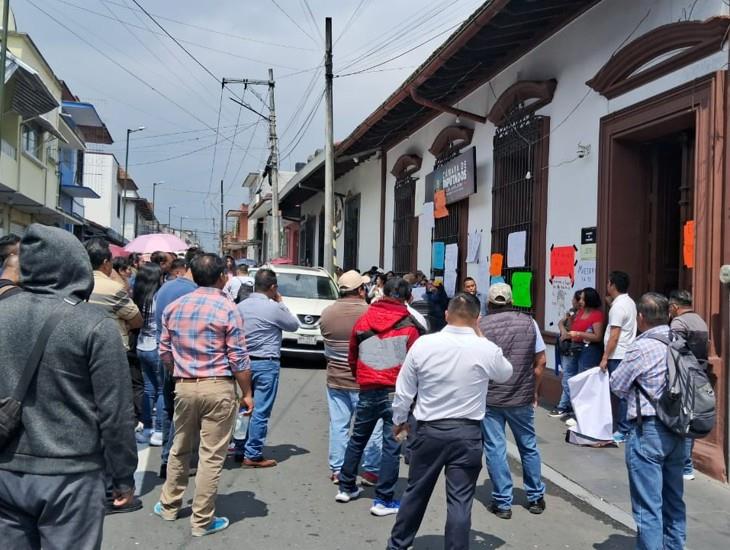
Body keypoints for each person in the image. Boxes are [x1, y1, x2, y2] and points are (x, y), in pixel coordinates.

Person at [0, 225, 137, 549]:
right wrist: (122, 476)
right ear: (76, 265)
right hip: (71, 475)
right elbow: (115, 411)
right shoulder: (93, 324)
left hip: (6, 468)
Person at [387, 293, 513, 550]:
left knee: (416, 492)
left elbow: (404, 390)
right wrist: (481, 335)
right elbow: (505, 373)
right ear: (478, 318)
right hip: (467, 433)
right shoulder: (485, 348)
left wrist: (399, 419)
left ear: (446, 314)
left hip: (428, 430)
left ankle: (398, 545)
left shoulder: (424, 345)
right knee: (460, 500)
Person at [154, 253, 253, 538]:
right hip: (218, 385)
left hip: (184, 385)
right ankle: (201, 520)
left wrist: (180, 370)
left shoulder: (174, 307)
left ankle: (169, 504)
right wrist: (247, 392)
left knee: (180, 446)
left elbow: (164, 352)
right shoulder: (228, 308)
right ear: (222, 276)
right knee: (211, 455)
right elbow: (239, 358)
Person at [335, 278, 422, 517]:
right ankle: (383, 499)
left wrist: (361, 376)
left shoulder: (364, 319)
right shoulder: (410, 326)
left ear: (382, 293)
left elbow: (352, 354)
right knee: (393, 445)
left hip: (367, 388)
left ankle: (346, 486)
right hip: (397, 394)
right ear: (407, 298)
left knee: (357, 439)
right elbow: (416, 365)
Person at [610, 293, 686, 550]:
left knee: (648, 506)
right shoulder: (680, 341)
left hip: (649, 429)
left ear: (641, 318)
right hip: (678, 427)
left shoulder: (642, 346)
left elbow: (617, 384)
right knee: (674, 501)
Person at [478, 283, 547, 519]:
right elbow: (541, 362)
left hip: (491, 397)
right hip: (521, 395)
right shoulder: (529, 322)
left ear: (489, 303)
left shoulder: (481, 325)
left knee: (495, 448)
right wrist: (535, 391)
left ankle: (503, 502)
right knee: (528, 446)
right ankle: (536, 496)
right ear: (510, 301)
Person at [320, 270, 383, 486]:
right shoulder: (371, 312)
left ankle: (338, 468)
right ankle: (371, 470)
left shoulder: (327, 313)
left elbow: (327, 347)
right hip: (365, 379)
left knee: (339, 425)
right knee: (373, 425)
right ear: (360, 290)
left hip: (336, 376)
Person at [85, 238, 145, 457]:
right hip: (113, 352)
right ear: (105, 262)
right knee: (113, 408)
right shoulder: (113, 288)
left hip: (79, 352)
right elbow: (137, 319)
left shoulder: (72, 284)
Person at [236, 268, 299, 467]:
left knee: (246, 405)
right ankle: (253, 453)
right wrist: (281, 302)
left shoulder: (241, 306)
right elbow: (293, 325)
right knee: (261, 410)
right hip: (266, 362)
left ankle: (239, 446)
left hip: (243, 362)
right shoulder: (274, 307)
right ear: (273, 287)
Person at [154, 247, 203, 479]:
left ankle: (165, 459)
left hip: (161, 353)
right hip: (183, 359)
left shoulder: (164, 289)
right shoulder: (194, 293)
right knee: (181, 412)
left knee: (166, 405)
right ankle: (173, 459)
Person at [668, 289, 710, 481]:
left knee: (683, 420)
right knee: (690, 419)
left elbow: (675, 351)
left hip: (685, 377)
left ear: (675, 306)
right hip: (700, 375)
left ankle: (684, 465)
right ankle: (686, 464)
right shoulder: (700, 320)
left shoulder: (678, 322)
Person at [599, 271, 637, 444]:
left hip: (617, 355)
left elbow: (614, 335)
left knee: (620, 393)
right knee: (624, 392)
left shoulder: (618, 307)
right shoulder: (628, 302)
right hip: (625, 352)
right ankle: (626, 427)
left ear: (612, 285)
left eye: (608, 283)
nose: (607, 286)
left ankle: (623, 429)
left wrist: (605, 357)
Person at [133, 262, 166, 447]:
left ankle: (147, 429)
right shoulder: (158, 298)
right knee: (161, 389)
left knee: (148, 389)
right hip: (156, 346)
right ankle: (160, 431)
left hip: (141, 346)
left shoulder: (137, 297)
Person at [549, 290, 581, 418]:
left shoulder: (578, 315)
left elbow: (568, 332)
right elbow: (562, 326)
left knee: (568, 377)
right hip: (566, 347)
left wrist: (562, 325)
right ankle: (566, 405)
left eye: (574, 298)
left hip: (571, 348)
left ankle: (565, 405)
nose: (572, 300)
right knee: (567, 376)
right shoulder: (572, 312)